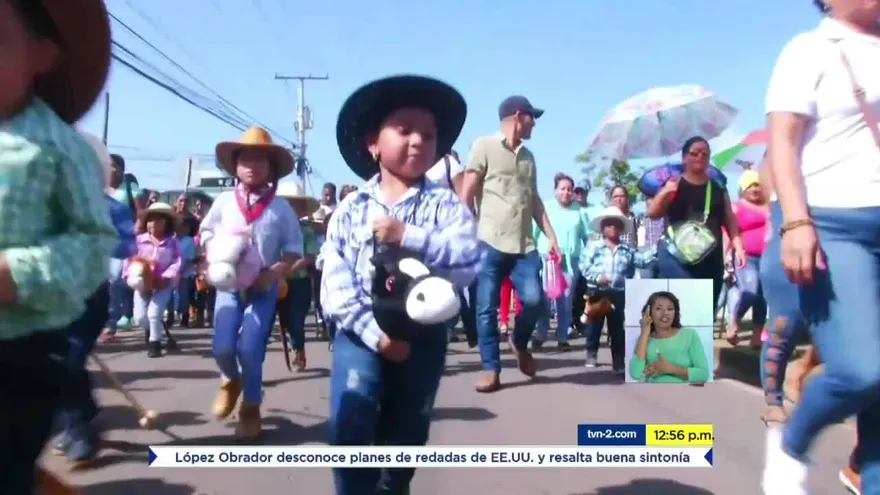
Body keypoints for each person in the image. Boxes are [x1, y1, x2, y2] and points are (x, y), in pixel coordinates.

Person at [321, 74, 481, 494]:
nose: (417, 141)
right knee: (350, 425)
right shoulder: (351, 209)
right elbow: (334, 284)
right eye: (404, 130)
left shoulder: (446, 206)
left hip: (424, 338)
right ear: (373, 143)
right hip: (361, 335)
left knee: (408, 431)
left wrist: (408, 236)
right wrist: (376, 337)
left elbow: (468, 261)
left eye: (428, 134)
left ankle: (393, 487)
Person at [761, 0, 880, 492]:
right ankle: (793, 441)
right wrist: (794, 223)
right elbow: (782, 144)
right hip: (835, 225)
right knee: (862, 370)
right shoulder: (809, 50)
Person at [0, 0, 117, 491]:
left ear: (41, 56)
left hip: (19, 349)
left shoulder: (55, 147)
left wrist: (17, 274)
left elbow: (94, 243)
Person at [199, 126, 302, 439]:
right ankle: (230, 380)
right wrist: (212, 255)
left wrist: (273, 274)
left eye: (260, 159)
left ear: (271, 169)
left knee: (250, 349)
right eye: (245, 159)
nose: (252, 165)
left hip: (263, 287)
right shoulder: (224, 202)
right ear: (235, 165)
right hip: (228, 285)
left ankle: (251, 406)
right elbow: (204, 232)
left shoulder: (281, 209)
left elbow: (294, 251)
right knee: (223, 347)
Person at [461, 95, 559, 393]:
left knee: (534, 300)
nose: (534, 124)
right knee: (486, 309)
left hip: (524, 245)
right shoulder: (483, 146)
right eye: (532, 117)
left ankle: (519, 342)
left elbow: (536, 200)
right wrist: (463, 232)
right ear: (518, 116)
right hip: (489, 242)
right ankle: (491, 369)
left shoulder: (529, 157)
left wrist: (551, 236)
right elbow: (468, 191)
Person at [647, 137, 745, 308]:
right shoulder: (673, 183)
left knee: (705, 312)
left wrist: (738, 246)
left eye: (705, 154)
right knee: (684, 305)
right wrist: (665, 192)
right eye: (694, 153)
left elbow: (730, 218)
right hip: (676, 256)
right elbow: (653, 214)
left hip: (710, 258)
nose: (700, 156)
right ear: (684, 157)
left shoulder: (718, 188)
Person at [579, 206, 656, 372]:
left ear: (621, 229)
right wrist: (598, 276)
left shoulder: (627, 249)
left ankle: (619, 361)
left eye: (616, 225)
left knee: (617, 329)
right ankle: (591, 353)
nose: (612, 228)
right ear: (602, 227)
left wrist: (657, 250)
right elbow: (584, 266)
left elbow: (641, 261)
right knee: (594, 326)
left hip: (618, 293)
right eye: (608, 225)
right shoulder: (594, 245)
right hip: (597, 291)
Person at [532, 173, 590, 351]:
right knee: (544, 298)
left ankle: (563, 336)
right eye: (562, 189)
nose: (566, 192)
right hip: (547, 259)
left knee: (565, 300)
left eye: (569, 189)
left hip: (569, 261)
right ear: (555, 190)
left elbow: (586, 237)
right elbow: (534, 234)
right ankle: (541, 333)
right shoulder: (545, 208)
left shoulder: (579, 212)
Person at [126, 202, 182, 358]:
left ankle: (155, 344)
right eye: (150, 220)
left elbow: (177, 262)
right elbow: (129, 260)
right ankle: (153, 329)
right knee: (140, 317)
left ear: (166, 223)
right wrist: (130, 276)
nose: (153, 224)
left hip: (163, 285)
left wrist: (166, 277)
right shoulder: (138, 241)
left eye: (158, 220)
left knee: (154, 313)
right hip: (142, 284)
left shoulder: (172, 243)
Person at [275, 182, 320, 372]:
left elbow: (310, 257)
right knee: (284, 320)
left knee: (296, 319)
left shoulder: (307, 232)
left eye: (294, 205)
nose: (291, 208)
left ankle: (299, 351)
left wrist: (290, 268)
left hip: (299, 282)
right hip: (278, 283)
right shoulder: (275, 230)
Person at [723, 170, 768, 347]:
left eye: (757, 185)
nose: (755, 189)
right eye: (751, 185)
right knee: (750, 291)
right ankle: (734, 322)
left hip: (767, 257)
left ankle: (756, 336)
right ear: (743, 188)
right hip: (745, 256)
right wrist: (726, 255)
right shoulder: (736, 207)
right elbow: (728, 232)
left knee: (763, 297)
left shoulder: (768, 206)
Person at [628, 291, 710, 384]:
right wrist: (644, 332)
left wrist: (671, 369)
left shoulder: (690, 335)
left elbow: (703, 374)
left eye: (670, 309)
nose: (665, 313)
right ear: (649, 313)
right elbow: (635, 374)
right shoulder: (644, 339)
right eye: (659, 308)